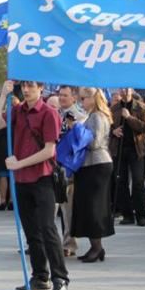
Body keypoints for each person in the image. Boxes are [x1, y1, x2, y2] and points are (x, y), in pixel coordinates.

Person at [0, 80, 69, 290]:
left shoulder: (48, 113)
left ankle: (59, 278)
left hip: (42, 178)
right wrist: (2, 95)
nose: (26, 90)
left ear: (40, 88)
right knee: (31, 232)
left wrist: (19, 163)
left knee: (47, 229)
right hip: (21, 180)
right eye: (23, 86)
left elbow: (49, 150)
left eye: (31, 86)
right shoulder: (18, 110)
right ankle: (40, 276)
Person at [71, 88, 114, 263]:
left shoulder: (97, 116)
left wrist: (78, 131)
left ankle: (96, 247)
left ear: (92, 98)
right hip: (94, 164)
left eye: (83, 99)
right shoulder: (97, 115)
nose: (81, 102)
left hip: (96, 163)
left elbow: (95, 142)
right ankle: (96, 246)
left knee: (94, 206)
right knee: (90, 205)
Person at [110, 87, 145, 226]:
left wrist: (129, 117)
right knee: (121, 181)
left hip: (136, 149)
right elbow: (108, 127)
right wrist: (113, 131)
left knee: (138, 182)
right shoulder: (114, 108)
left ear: (131, 91)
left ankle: (141, 215)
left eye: (127, 89)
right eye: (122, 89)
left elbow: (144, 127)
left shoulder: (141, 107)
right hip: (119, 148)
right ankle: (127, 215)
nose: (124, 91)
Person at [57, 85, 85, 256]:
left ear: (74, 97)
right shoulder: (54, 113)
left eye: (65, 95)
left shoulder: (80, 116)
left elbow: (81, 141)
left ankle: (69, 244)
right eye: (60, 95)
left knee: (68, 209)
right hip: (52, 165)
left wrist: (73, 125)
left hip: (69, 168)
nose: (62, 98)